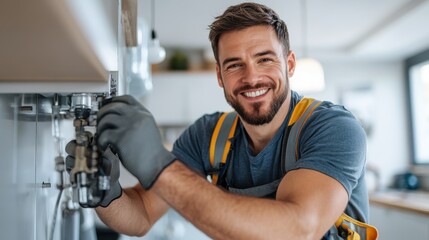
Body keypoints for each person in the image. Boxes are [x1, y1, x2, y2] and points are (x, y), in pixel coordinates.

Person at [67, 2, 369, 239]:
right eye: (234, 65)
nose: (251, 78)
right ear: (220, 76)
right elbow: (142, 215)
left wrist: (159, 166)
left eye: (265, 59)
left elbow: (298, 230)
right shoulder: (209, 136)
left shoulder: (333, 128)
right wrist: (105, 194)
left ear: (289, 64)